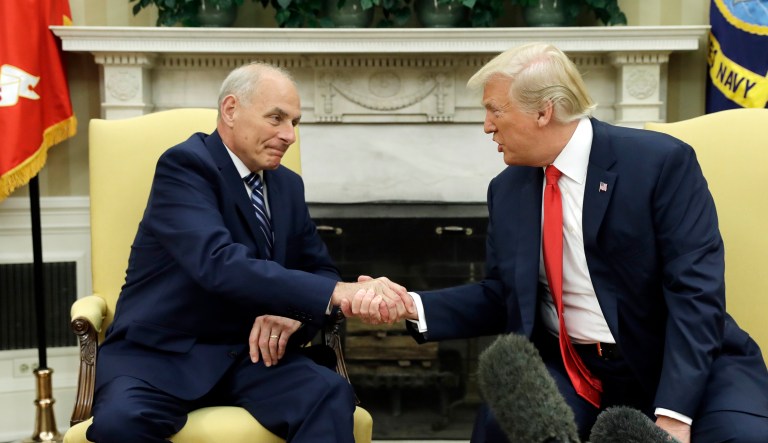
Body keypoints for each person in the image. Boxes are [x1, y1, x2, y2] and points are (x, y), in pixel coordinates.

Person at [346, 42, 768, 443]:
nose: (487, 125)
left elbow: (696, 295)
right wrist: (411, 306)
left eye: (495, 110)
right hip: (578, 370)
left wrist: (674, 414)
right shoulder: (508, 190)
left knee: (741, 437)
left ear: (544, 111)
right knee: (500, 427)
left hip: (682, 362)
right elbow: (501, 295)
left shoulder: (659, 164)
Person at [86, 62, 413, 443]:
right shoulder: (186, 167)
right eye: (276, 118)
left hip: (255, 357)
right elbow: (218, 264)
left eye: (295, 122)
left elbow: (320, 268)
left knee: (328, 393)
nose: (289, 135)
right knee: (121, 424)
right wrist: (335, 293)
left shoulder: (287, 185)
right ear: (230, 109)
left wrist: (298, 314)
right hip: (162, 357)